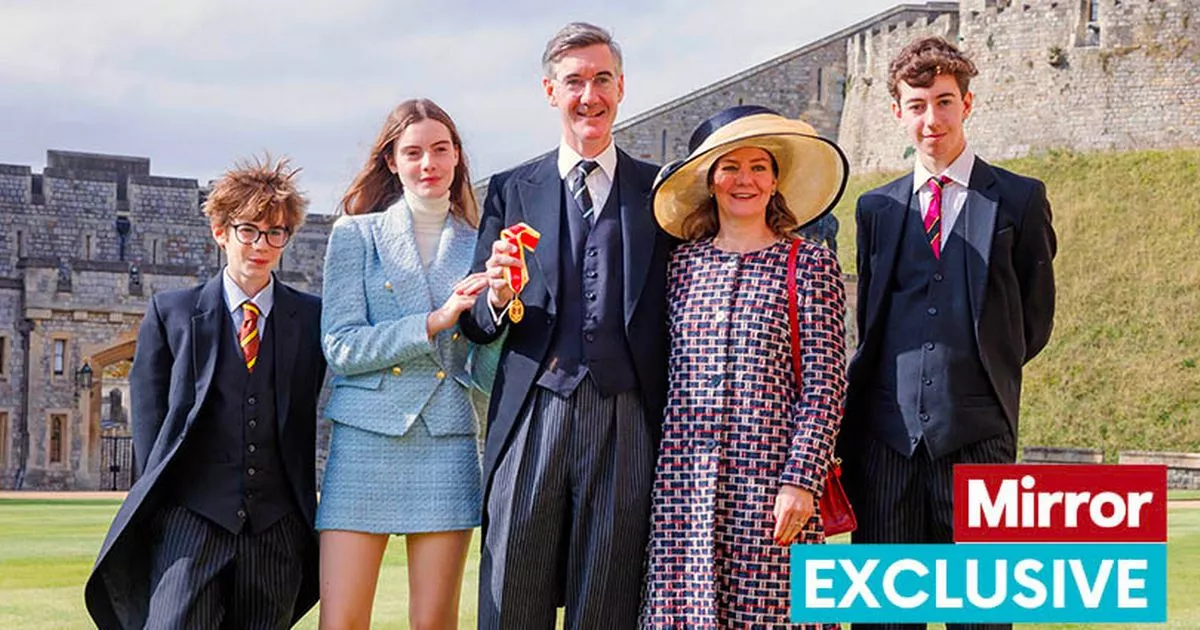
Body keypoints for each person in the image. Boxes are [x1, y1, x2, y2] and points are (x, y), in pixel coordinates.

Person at [458, 22, 672, 630]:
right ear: (550, 91)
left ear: (621, 87)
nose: (589, 96)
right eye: (574, 81)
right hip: (534, 409)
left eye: (602, 79)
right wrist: (498, 296)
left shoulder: (660, 189)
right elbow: (476, 323)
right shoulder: (511, 190)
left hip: (627, 414)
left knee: (607, 600)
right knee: (512, 593)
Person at [840, 36, 1056, 630]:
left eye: (943, 102)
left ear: (967, 103)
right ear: (897, 112)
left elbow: (1033, 320)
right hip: (885, 443)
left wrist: (979, 382)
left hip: (980, 439)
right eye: (916, 105)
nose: (930, 119)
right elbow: (871, 322)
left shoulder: (1019, 199)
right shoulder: (876, 209)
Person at [85, 156, 326, 629]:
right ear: (220, 232)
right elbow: (151, 432)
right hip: (190, 524)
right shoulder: (171, 313)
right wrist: (170, 513)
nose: (262, 245)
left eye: (275, 233)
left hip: (276, 528)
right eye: (249, 230)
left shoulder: (312, 318)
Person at [639, 105, 849, 629]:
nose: (744, 179)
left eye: (758, 167)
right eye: (730, 167)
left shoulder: (809, 264)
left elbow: (825, 384)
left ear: (775, 181)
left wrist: (802, 480)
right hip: (685, 491)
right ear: (710, 182)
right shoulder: (680, 266)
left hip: (773, 489)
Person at [317, 98, 491, 630]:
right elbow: (341, 347)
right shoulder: (355, 234)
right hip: (365, 441)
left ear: (457, 156)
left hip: (447, 441)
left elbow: (486, 369)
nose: (428, 163)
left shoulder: (483, 245)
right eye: (413, 152)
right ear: (392, 161)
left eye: (440, 149)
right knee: (342, 622)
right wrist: (433, 322)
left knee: (435, 622)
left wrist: (503, 313)